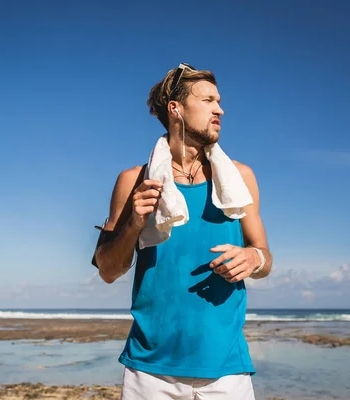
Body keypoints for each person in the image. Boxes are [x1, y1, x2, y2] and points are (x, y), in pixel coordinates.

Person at [92, 63, 273, 400]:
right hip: (150, 371)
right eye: (208, 100)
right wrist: (133, 223)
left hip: (227, 369)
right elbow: (107, 270)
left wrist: (253, 256)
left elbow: (264, 258)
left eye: (218, 101)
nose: (220, 109)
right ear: (175, 109)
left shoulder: (240, 177)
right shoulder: (133, 180)